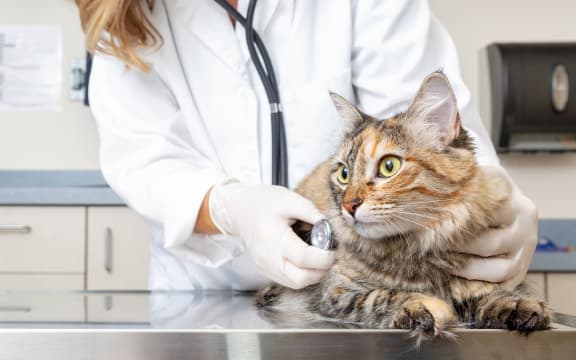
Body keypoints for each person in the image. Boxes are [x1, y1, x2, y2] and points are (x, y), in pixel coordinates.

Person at [76, 0, 538, 291]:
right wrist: (230, 207)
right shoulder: (121, 12)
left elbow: (421, 119)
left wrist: (487, 195)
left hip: (361, 287)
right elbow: (145, 159)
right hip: (206, 294)